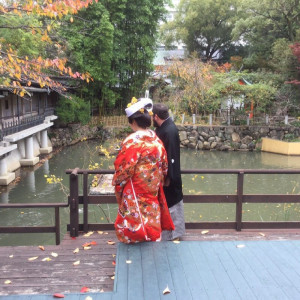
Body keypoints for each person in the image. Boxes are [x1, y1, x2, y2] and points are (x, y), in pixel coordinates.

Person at [112, 97, 174, 244]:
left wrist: (118, 183)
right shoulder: (156, 139)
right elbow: (164, 165)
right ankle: (153, 240)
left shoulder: (133, 141)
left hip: (135, 188)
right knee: (151, 215)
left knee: (134, 221)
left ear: (133, 121)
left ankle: (135, 245)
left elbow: (123, 167)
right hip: (153, 187)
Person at [152, 103, 185, 240]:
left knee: (172, 204)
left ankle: (175, 234)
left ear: (156, 116)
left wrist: (168, 177)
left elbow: (171, 155)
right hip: (166, 173)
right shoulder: (165, 128)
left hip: (170, 176)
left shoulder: (169, 131)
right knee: (168, 205)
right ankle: (169, 233)